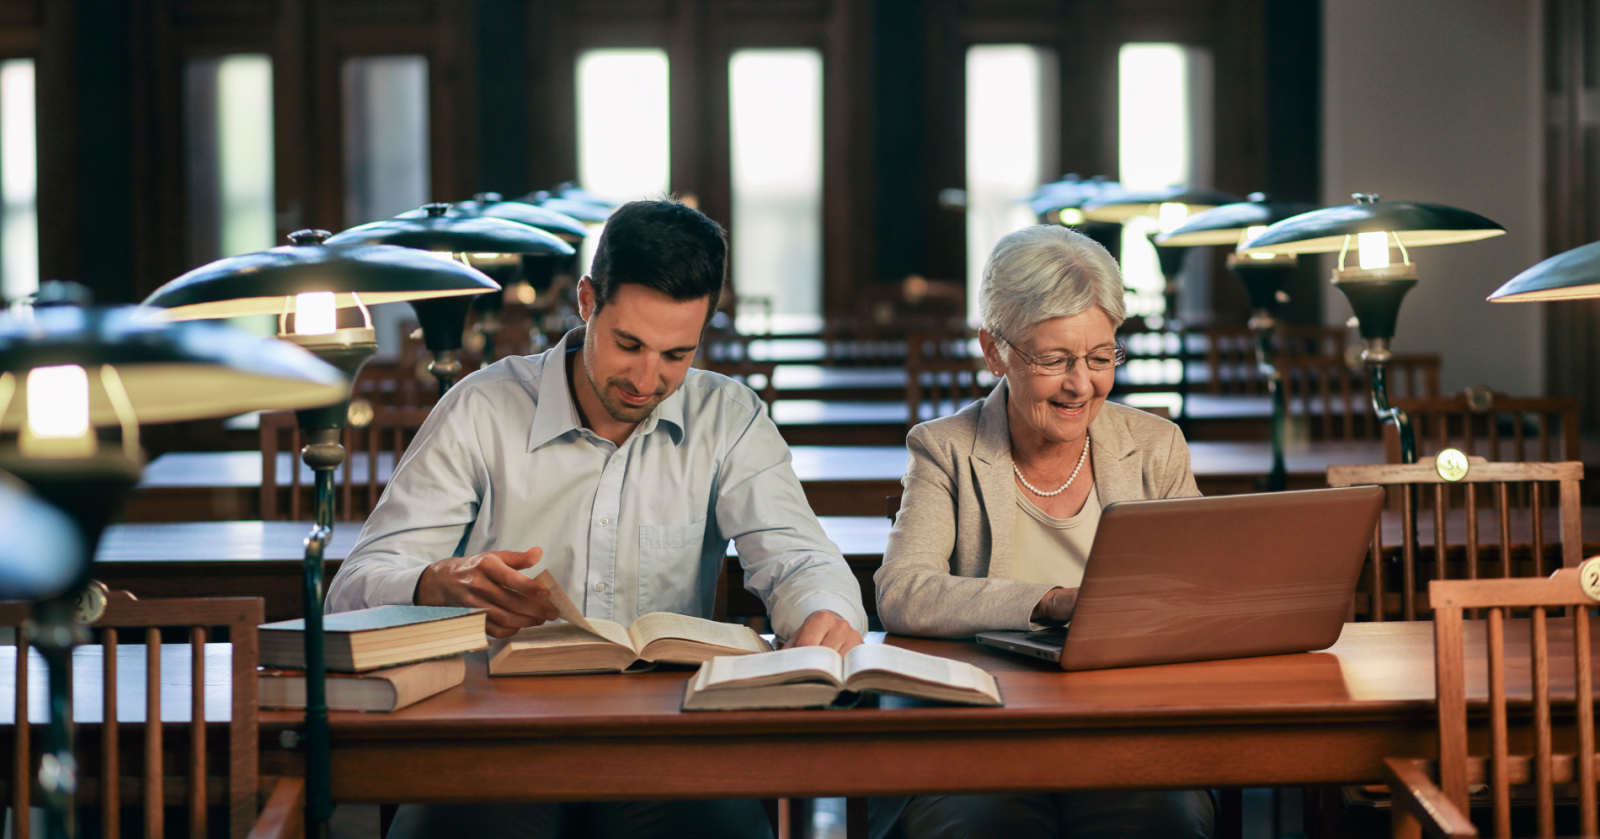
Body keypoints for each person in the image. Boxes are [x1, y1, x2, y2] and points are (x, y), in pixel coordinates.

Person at [328, 199, 866, 839]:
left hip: (669, 744)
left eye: (676, 354)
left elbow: (799, 558)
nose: (647, 378)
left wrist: (822, 612)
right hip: (493, 741)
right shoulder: (479, 407)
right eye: (629, 344)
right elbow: (351, 594)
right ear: (587, 301)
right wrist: (432, 586)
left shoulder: (729, 417)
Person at [870, 225, 1214, 839]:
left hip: (1125, 729)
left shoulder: (1156, 447)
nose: (1081, 384)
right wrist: (1051, 601)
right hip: (982, 734)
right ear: (994, 350)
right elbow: (902, 591)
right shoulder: (944, 449)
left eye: (1101, 357)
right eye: (1054, 360)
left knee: (1166, 821)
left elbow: (1200, 592)